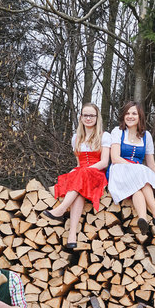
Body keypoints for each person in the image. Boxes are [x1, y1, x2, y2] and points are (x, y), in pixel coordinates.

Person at [43, 103, 111, 249]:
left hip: (97, 174)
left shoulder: (104, 136)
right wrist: (79, 170)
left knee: (80, 176)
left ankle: (61, 209)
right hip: (83, 175)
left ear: (97, 117)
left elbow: (104, 162)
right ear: (80, 117)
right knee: (79, 190)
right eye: (85, 115)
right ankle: (72, 235)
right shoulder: (76, 138)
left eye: (91, 115)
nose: (88, 118)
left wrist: (84, 170)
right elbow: (79, 162)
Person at [108, 101, 155, 235]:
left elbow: (151, 163)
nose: (130, 116)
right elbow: (115, 158)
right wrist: (136, 168)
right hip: (119, 169)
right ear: (123, 116)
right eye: (127, 113)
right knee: (141, 173)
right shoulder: (118, 132)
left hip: (137, 174)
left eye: (134, 113)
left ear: (140, 116)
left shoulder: (146, 136)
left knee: (138, 188)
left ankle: (143, 219)